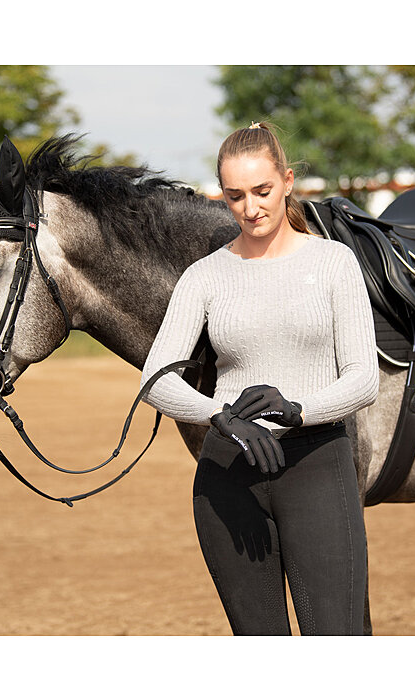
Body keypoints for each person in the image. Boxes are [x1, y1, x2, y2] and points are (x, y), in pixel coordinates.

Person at [140, 121, 379, 635]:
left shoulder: (334, 263)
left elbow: (364, 377)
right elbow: (155, 378)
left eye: (262, 191)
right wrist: (218, 415)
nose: (250, 208)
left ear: (288, 181)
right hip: (228, 476)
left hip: (317, 464)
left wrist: (300, 410)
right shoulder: (204, 276)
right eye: (235, 196)